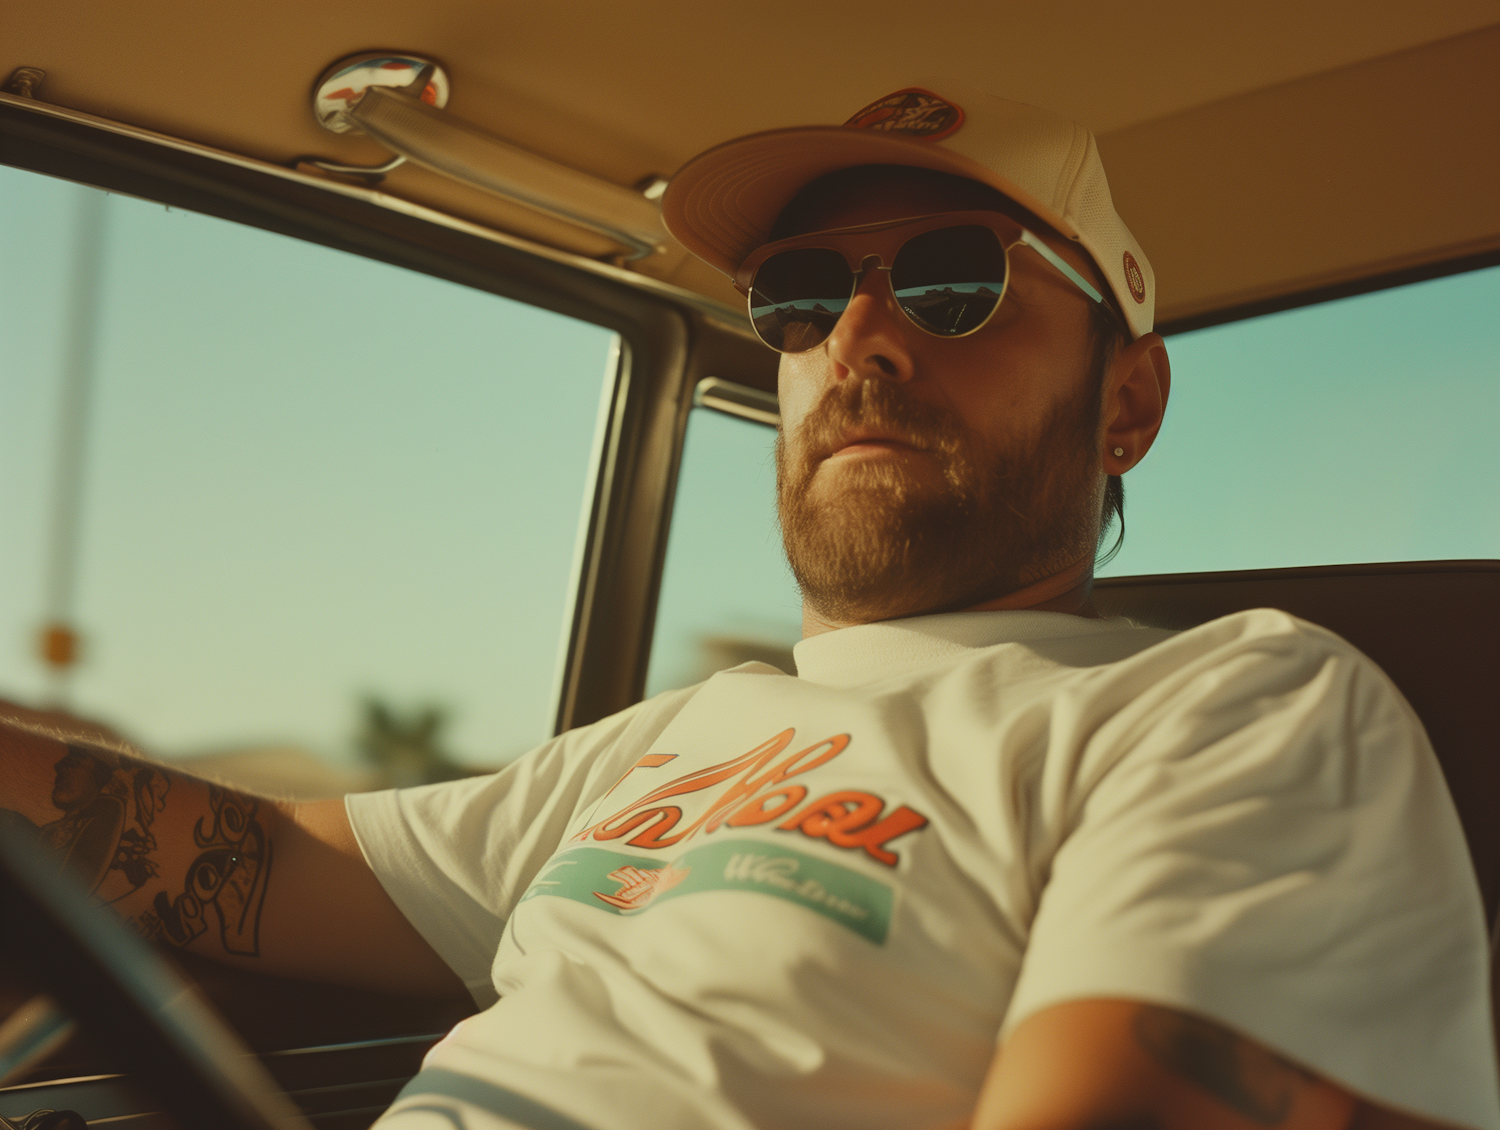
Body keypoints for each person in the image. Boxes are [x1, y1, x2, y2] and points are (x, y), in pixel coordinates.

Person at [1, 85, 1496, 1130]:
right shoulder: (669, 738)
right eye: (797, 293)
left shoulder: (1238, 706)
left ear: (1131, 401)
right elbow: (249, 863)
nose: (856, 337)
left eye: (954, 281)